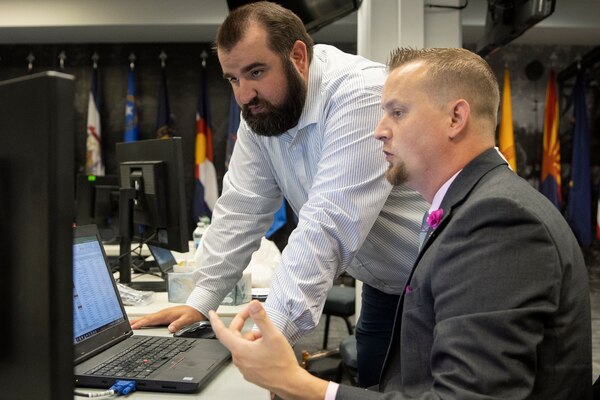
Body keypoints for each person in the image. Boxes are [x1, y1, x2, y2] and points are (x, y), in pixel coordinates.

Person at [208, 47, 593, 399]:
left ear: (456, 117)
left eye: (397, 112)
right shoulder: (470, 203)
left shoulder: (498, 221)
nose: (379, 130)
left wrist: (302, 385)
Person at [129, 1, 427, 386]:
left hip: (437, 282)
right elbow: (240, 209)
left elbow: (329, 221)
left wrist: (273, 330)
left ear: (298, 56)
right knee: (370, 382)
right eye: (233, 79)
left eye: (256, 72)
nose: (244, 95)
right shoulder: (261, 113)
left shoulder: (360, 93)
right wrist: (201, 302)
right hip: (384, 284)